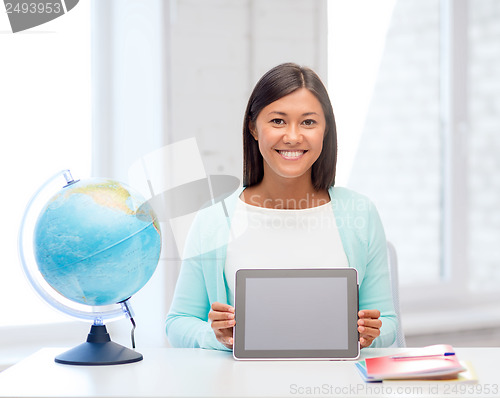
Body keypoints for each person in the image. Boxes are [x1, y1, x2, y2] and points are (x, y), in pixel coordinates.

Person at [165, 63, 397, 351]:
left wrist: (371, 334)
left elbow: (387, 321)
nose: (293, 136)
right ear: (253, 128)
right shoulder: (215, 219)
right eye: (278, 121)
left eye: (308, 122)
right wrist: (216, 337)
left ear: (325, 130)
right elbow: (178, 322)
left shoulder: (360, 213)